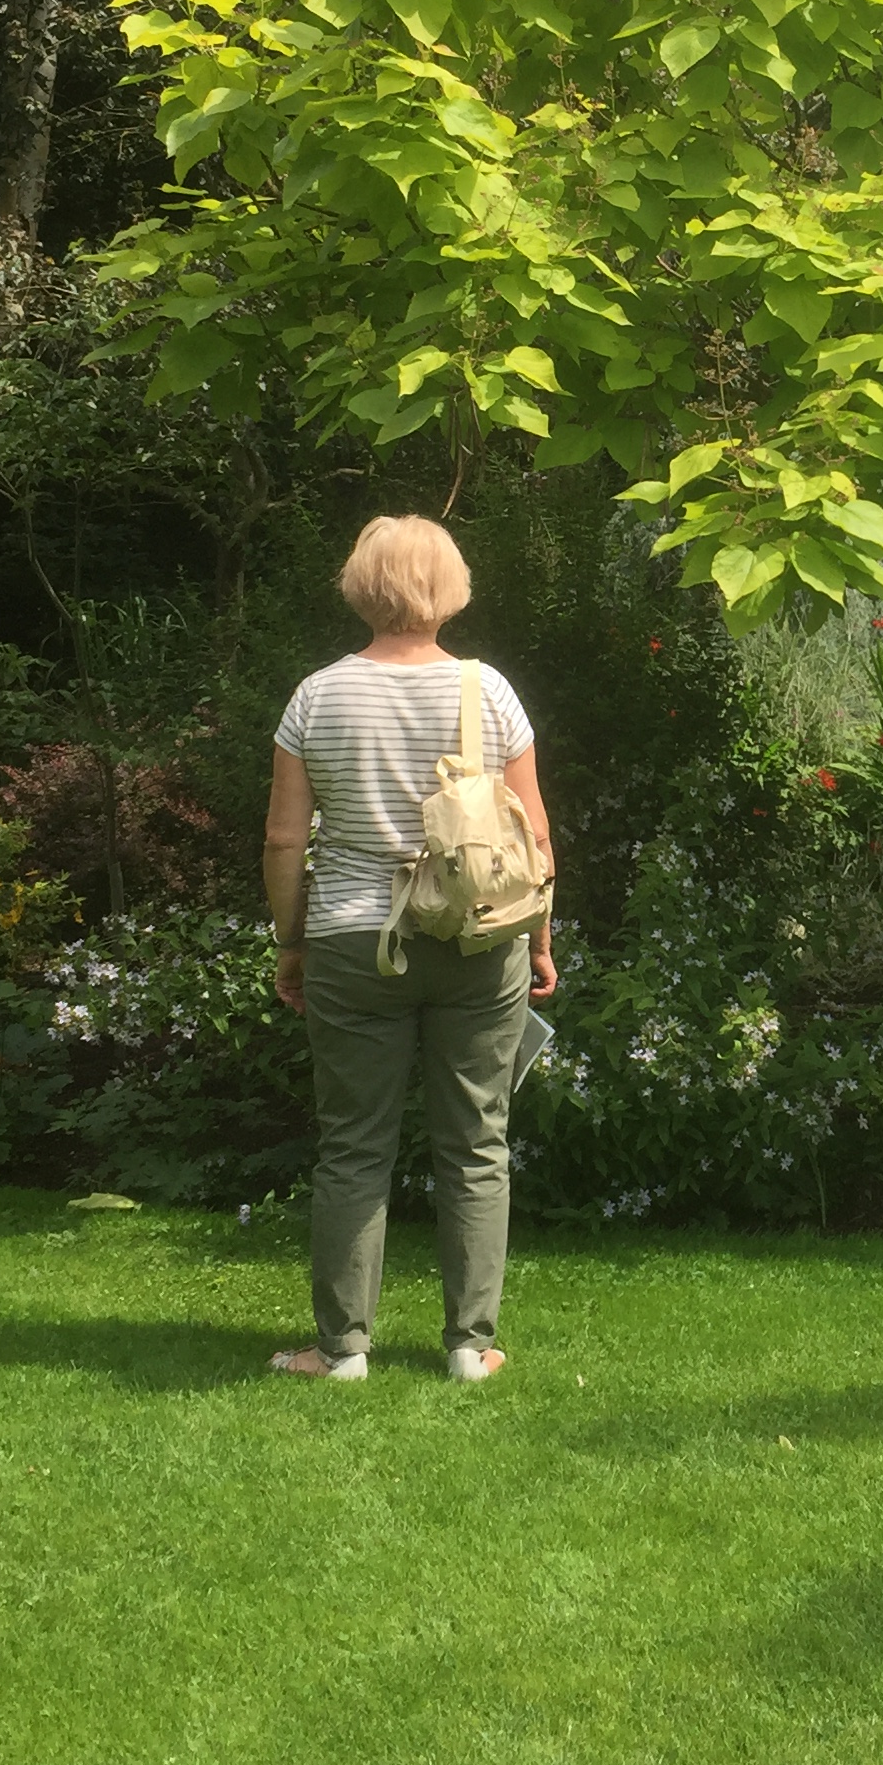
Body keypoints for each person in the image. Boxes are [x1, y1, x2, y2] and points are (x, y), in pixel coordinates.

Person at [263, 515, 557, 1383]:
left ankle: (341, 1351)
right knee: (476, 1143)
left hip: (352, 939)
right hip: (478, 936)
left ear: (360, 586)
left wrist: (291, 941)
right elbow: (533, 836)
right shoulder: (488, 691)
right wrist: (540, 938)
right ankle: (470, 1345)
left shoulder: (316, 697)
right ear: (449, 588)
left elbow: (284, 840)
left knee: (354, 1146)